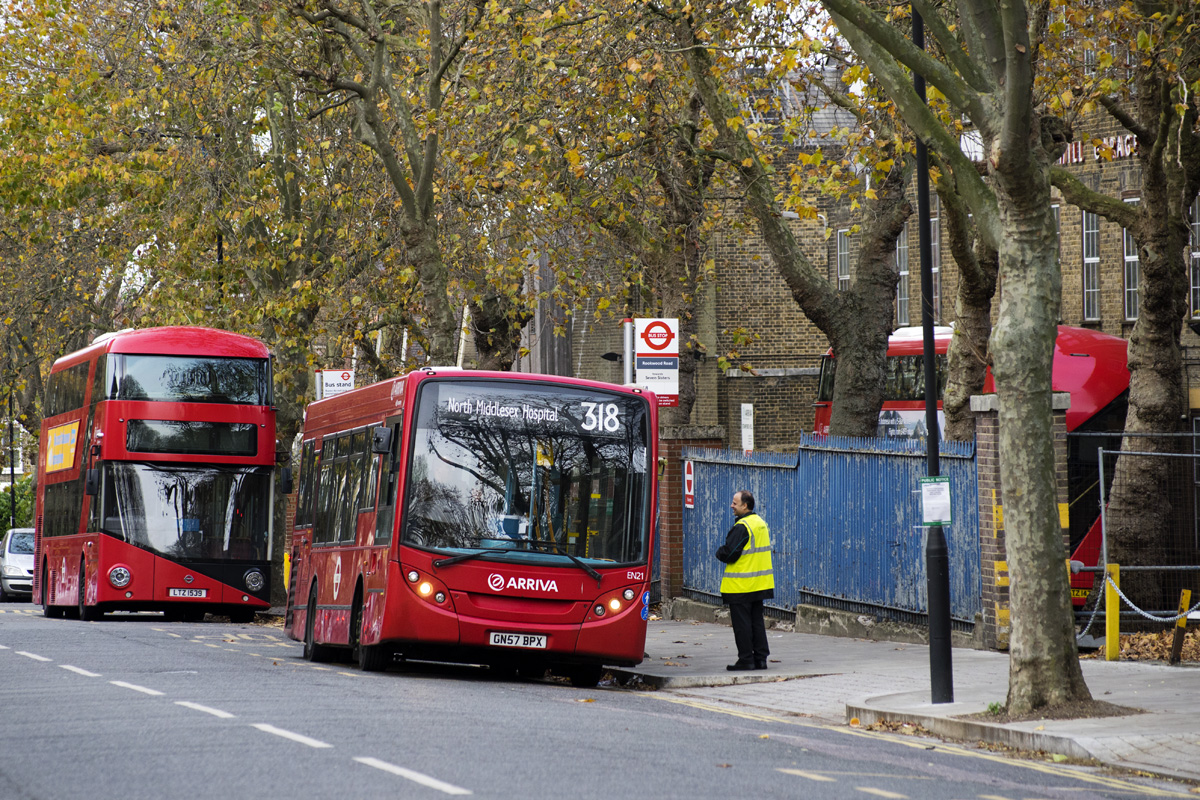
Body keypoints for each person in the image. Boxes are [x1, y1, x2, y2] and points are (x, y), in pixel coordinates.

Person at [715, 490, 774, 671]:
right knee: (756, 622)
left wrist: (719, 552)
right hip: (759, 584)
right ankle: (761, 659)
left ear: (745, 506)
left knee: (743, 626)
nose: (731, 506)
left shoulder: (742, 526)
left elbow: (729, 553)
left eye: (735, 503)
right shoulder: (760, 523)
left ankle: (746, 659)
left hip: (741, 586)